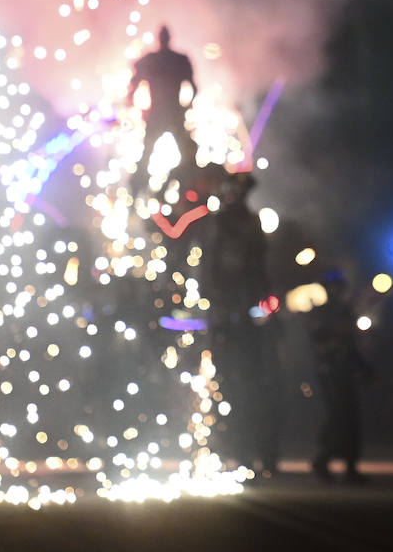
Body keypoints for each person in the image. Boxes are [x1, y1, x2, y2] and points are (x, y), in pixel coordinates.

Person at [205, 172, 281, 477]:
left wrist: (261, 305)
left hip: (245, 319)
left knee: (254, 386)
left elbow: (260, 268)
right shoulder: (220, 225)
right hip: (228, 317)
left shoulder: (249, 225)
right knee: (230, 386)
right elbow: (214, 270)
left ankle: (256, 453)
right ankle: (234, 451)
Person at [309, 269, 370, 484]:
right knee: (337, 418)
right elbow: (317, 344)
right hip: (330, 374)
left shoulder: (345, 312)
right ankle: (323, 460)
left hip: (344, 373)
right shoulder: (321, 314)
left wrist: (364, 370)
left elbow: (350, 346)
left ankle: (350, 466)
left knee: (351, 420)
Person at [127, 25, 198, 185]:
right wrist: (186, 106)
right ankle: (189, 184)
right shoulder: (177, 60)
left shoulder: (154, 60)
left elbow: (133, 85)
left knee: (151, 154)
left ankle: (140, 187)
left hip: (162, 114)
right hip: (169, 114)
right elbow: (194, 87)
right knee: (184, 153)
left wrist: (133, 103)